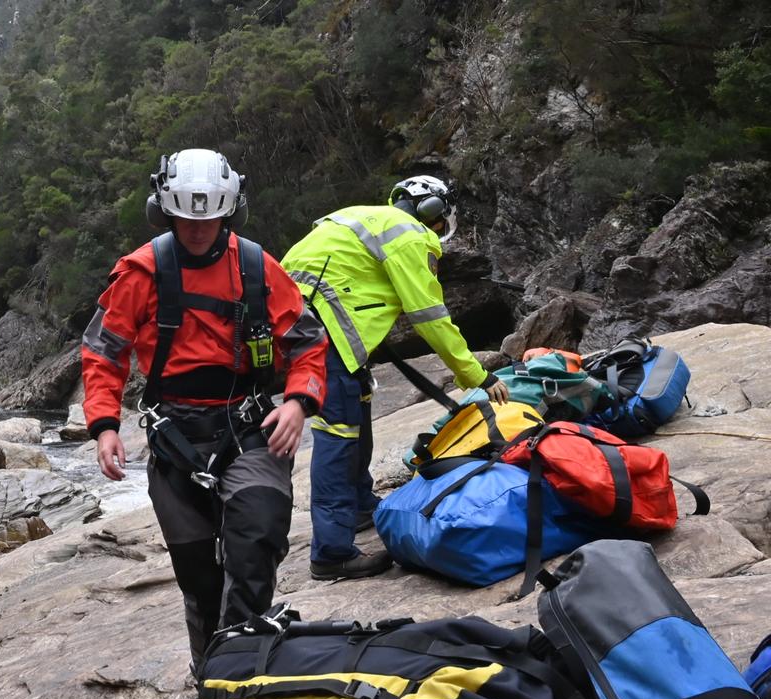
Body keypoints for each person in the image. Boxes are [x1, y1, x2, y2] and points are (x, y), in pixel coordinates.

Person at [81, 148, 327, 667]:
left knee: (256, 537)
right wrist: (104, 425)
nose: (198, 229)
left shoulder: (258, 267)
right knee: (199, 576)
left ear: (228, 211)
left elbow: (306, 342)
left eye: (210, 217)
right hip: (175, 438)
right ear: (164, 209)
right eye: (188, 218)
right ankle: (210, 674)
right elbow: (105, 352)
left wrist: (300, 402)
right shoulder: (141, 273)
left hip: (248, 426)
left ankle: (241, 667)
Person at [280, 175, 510, 581]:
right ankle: (332, 553)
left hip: (299, 324)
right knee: (338, 435)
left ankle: (359, 507)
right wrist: (476, 375)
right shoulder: (410, 234)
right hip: (324, 334)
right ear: (433, 212)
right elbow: (429, 315)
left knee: (355, 414)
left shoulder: (360, 216)